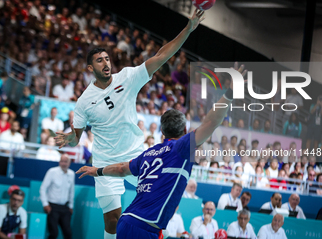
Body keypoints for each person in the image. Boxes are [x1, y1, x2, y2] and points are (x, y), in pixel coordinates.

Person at [57, 9, 205, 239]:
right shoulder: (83, 101)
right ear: (90, 69)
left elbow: (160, 56)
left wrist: (188, 29)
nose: (105, 63)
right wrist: (69, 138)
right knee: (113, 220)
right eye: (99, 60)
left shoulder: (126, 77)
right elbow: (76, 136)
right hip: (105, 159)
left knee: (155, 207)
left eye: (106, 58)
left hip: (137, 156)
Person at [75, 62, 246, 238]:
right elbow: (211, 122)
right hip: (145, 228)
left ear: (162, 132)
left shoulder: (149, 153)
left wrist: (98, 171)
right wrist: (230, 93)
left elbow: (121, 169)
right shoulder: (182, 148)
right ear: (185, 132)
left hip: (127, 222)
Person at [39, 154, 75, 239]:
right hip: (52, 207)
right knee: (54, 233)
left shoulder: (72, 174)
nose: (63, 163)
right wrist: (45, 204)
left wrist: (71, 206)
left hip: (65, 207)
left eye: (65, 161)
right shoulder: (52, 171)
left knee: (68, 233)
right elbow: (42, 188)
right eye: (61, 161)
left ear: (69, 163)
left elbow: (71, 191)